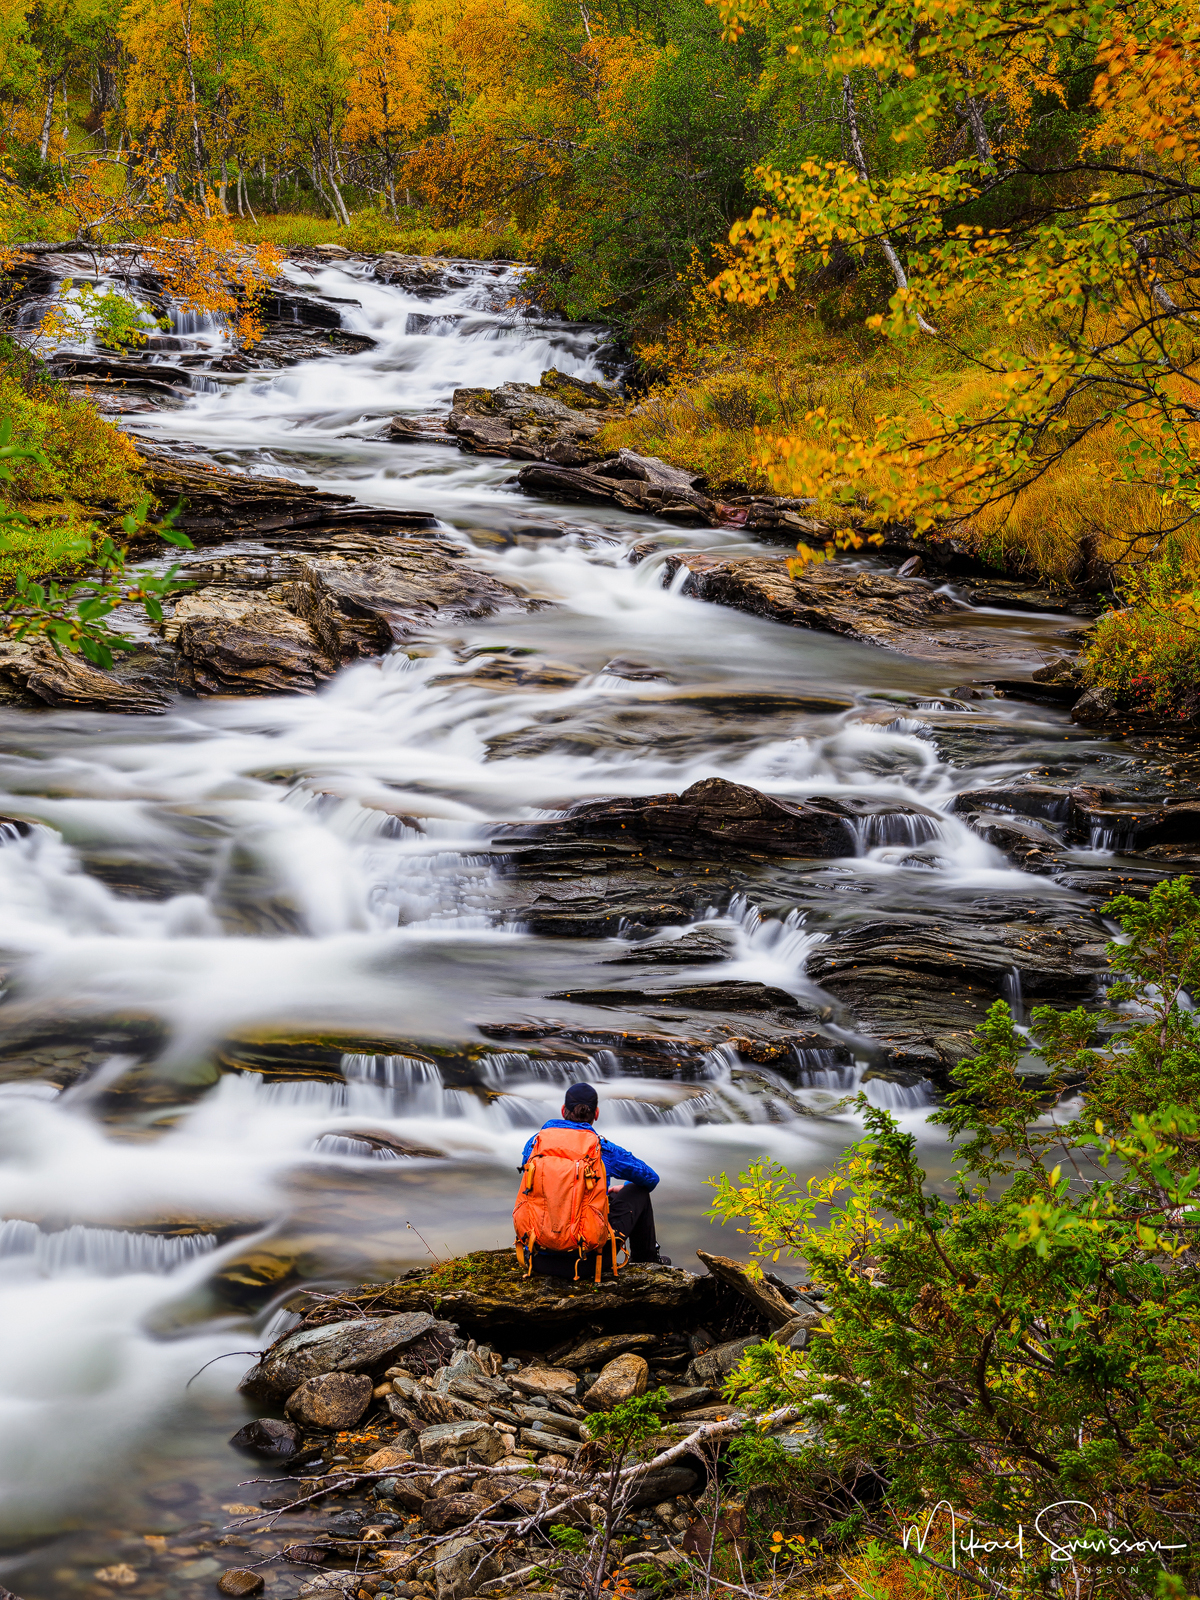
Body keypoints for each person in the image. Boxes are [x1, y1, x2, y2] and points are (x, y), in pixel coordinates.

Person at [518, 1082, 671, 1266]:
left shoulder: (535, 1144)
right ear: (596, 1114)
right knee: (638, 1192)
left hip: (538, 1257)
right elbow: (651, 1179)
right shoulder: (603, 1150)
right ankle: (647, 1262)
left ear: (562, 1110)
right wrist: (621, 1188)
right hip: (588, 1262)